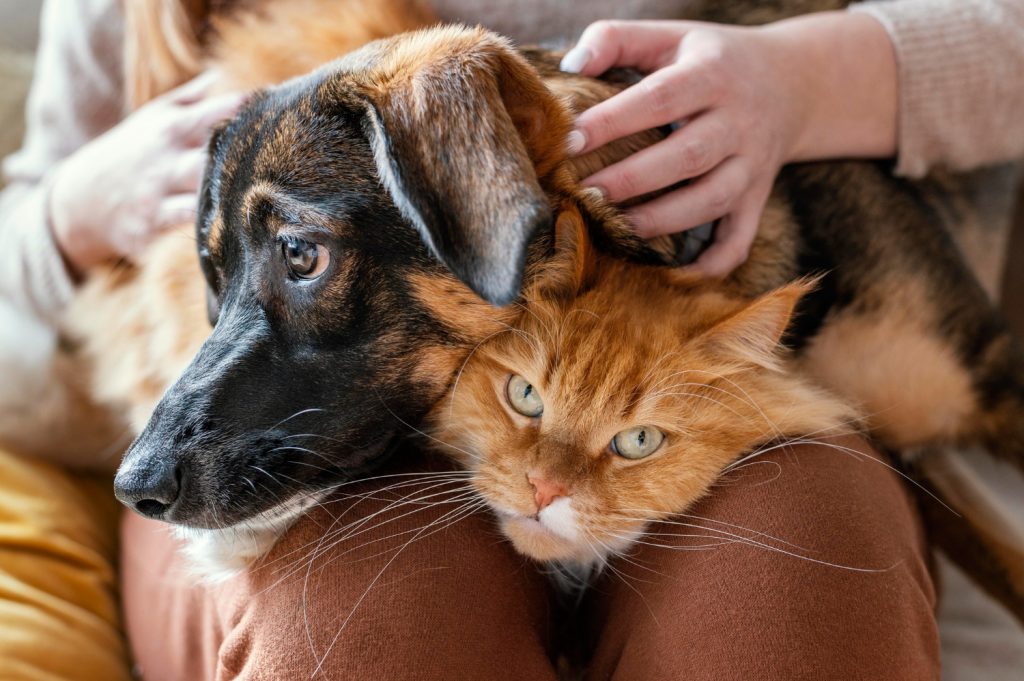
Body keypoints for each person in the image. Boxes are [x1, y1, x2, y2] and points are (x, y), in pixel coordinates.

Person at [1, 0, 1021, 678]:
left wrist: (814, 77)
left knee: (799, 550)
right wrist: (67, 212)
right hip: (291, 464)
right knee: (382, 604)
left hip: (695, 376)